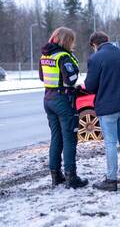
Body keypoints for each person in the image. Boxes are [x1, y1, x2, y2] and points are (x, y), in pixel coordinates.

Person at [85, 31, 120, 192]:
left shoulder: (96, 58)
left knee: (110, 143)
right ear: (107, 40)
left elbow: (90, 85)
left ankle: (111, 179)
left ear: (95, 44)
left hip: (107, 107)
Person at [39, 27, 88, 189]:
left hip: (48, 99)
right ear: (67, 40)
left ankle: (56, 175)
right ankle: (71, 176)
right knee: (69, 139)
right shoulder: (63, 56)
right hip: (63, 100)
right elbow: (72, 79)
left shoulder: (45, 56)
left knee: (56, 137)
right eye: (72, 41)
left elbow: (42, 77)